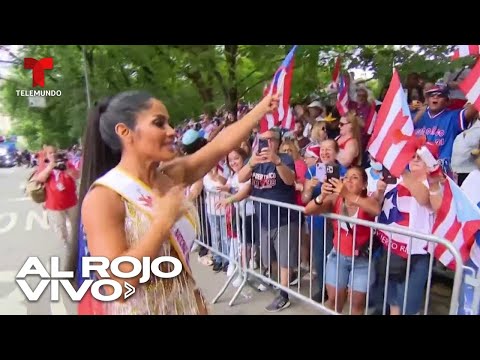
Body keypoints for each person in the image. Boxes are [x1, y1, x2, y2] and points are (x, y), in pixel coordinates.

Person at [76, 90, 279, 315]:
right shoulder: (104, 197)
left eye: (169, 123)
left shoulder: (170, 176)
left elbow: (220, 145)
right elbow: (119, 285)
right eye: (159, 123)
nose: (172, 131)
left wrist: (262, 108)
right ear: (125, 131)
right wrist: (162, 224)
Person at [304, 166, 381, 314]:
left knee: (357, 304)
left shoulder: (368, 201)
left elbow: (375, 210)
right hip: (337, 257)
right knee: (333, 300)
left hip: (362, 261)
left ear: (364, 184)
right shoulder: (336, 199)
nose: (349, 180)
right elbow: (308, 210)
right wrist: (322, 195)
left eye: (355, 177)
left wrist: (349, 195)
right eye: (346, 177)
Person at [237, 126, 298, 312]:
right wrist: (251, 164)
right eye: (264, 139)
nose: (267, 143)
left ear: (278, 142)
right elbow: (240, 178)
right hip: (263, 218)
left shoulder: (285, 158)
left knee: (284, 260)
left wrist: (277, 161)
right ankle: (277, 286)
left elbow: (290, 180)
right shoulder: (254, 161)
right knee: (269, 259)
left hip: (283, 218)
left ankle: (284, 295)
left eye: (271, 139)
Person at [34, 145, 79, 269]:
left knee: (76, 225)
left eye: (54, 152)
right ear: (46, 154)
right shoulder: (44, 165)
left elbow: (77, 175)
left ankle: (75, 244)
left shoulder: (66, 163)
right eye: (50, 153)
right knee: (60, 229)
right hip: (53, 205)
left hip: (71, 202)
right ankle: (66, 244)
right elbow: (40, 179)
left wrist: (66, 170)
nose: (53, 154)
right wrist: (50, 166)